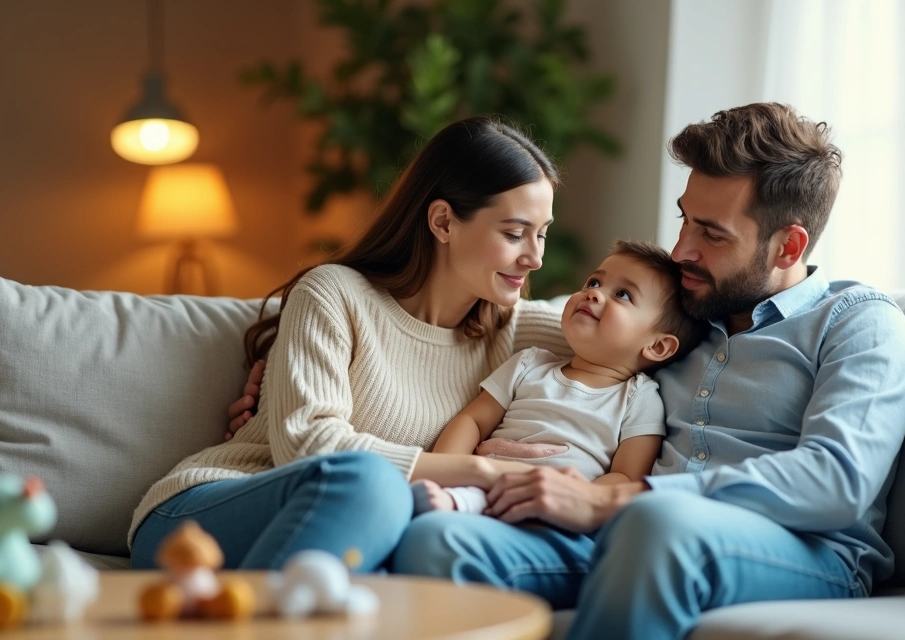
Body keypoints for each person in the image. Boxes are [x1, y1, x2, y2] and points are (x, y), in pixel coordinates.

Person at [228, 104, 905, 639]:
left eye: (712, 234)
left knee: (658, 526)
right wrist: (283, 350)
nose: (681, 248)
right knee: (436, 538)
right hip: (615, 536)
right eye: (685, 220)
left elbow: (836, 481)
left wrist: (623, 498)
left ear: (789, 243)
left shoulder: (858, 322)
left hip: (797, 550)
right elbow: (559, 323)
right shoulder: (684, 316)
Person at [128, 116, 573, 571]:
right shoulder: (333, 294)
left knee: (420, 535)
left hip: (354, 535)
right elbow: (308, 445)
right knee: (374, 484)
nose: (535, 257)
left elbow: (635, 339)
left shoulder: (512, 331)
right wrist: (479, 469)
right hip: (200, 520)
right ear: (443, 222)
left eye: (542, 233)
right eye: (514, 233)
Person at [413, 240, 707, 515]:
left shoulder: (639, 397)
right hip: (484, 484)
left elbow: (626, 476)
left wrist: (574, 500)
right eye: (594, 282)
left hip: (557, 508)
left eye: (622, 294)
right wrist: (448, 470)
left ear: (657, 346)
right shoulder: (529, 363)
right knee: (454, 502)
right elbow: (472, 421)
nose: (594, 293)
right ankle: (452, 503)